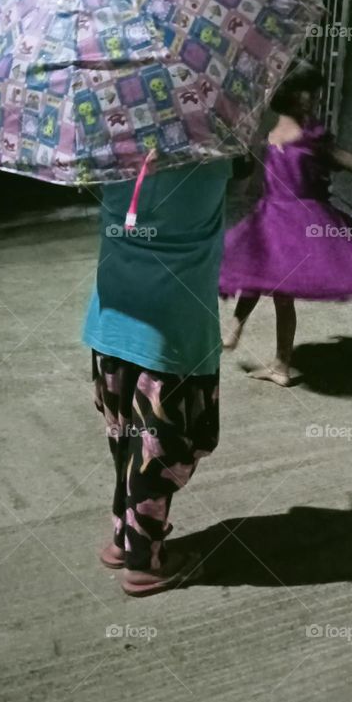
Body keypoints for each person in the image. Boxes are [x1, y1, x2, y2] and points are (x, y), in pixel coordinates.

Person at [83, 157, 230, 596]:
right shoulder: (212, 160)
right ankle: (144, 564)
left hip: (111, 321)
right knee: (158, 454)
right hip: (173, 332)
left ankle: (122, 538)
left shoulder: (109, 154)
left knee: (126, 440)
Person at [219, 61, 352, 385]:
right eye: (302, 91)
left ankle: (279, 363)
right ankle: (241, 330)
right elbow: (261, 177)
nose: (310, 98)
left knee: (280, 291)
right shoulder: (272, 131)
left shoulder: (312, 138)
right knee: (258, 269)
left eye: (312, 91)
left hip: (299, 222)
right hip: (273, 214)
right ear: (285, 95)